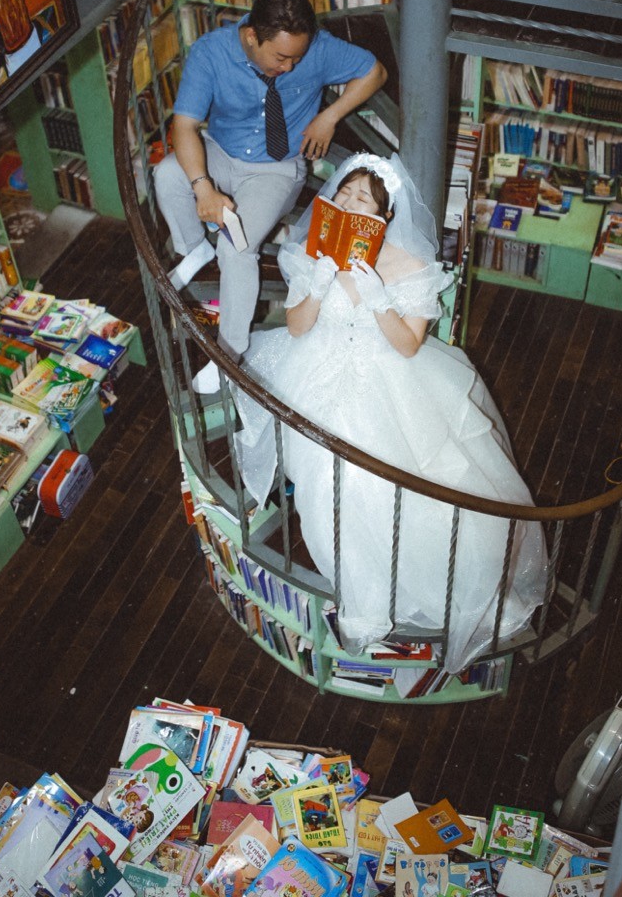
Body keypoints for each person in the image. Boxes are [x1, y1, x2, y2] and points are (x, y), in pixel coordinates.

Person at [233, 152, 548, 673]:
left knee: (397, 480)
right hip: (316, 368)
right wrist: (318, 283)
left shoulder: (412, 264)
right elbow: (296, 328)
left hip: (389, 375)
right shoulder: (313, 252)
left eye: (366, 201)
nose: (352, 203)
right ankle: (362, 593)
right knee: (330, 482)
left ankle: (412, 582)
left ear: (386, 215)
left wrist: (380, 298)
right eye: (345, 195)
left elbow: (407, 347)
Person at [153, 0, 387, 392]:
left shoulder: (315, 49)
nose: (291, 67)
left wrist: (329, 116)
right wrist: (204, 187)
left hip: (277, 169)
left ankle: (229, 354)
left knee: (237, 247)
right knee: (166, 174)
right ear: (250, 37)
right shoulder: (211, 52)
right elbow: (185, 126)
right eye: (281, 57)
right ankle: (193, 248)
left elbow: (375, 72)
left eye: (297, 57)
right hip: (221, 152)